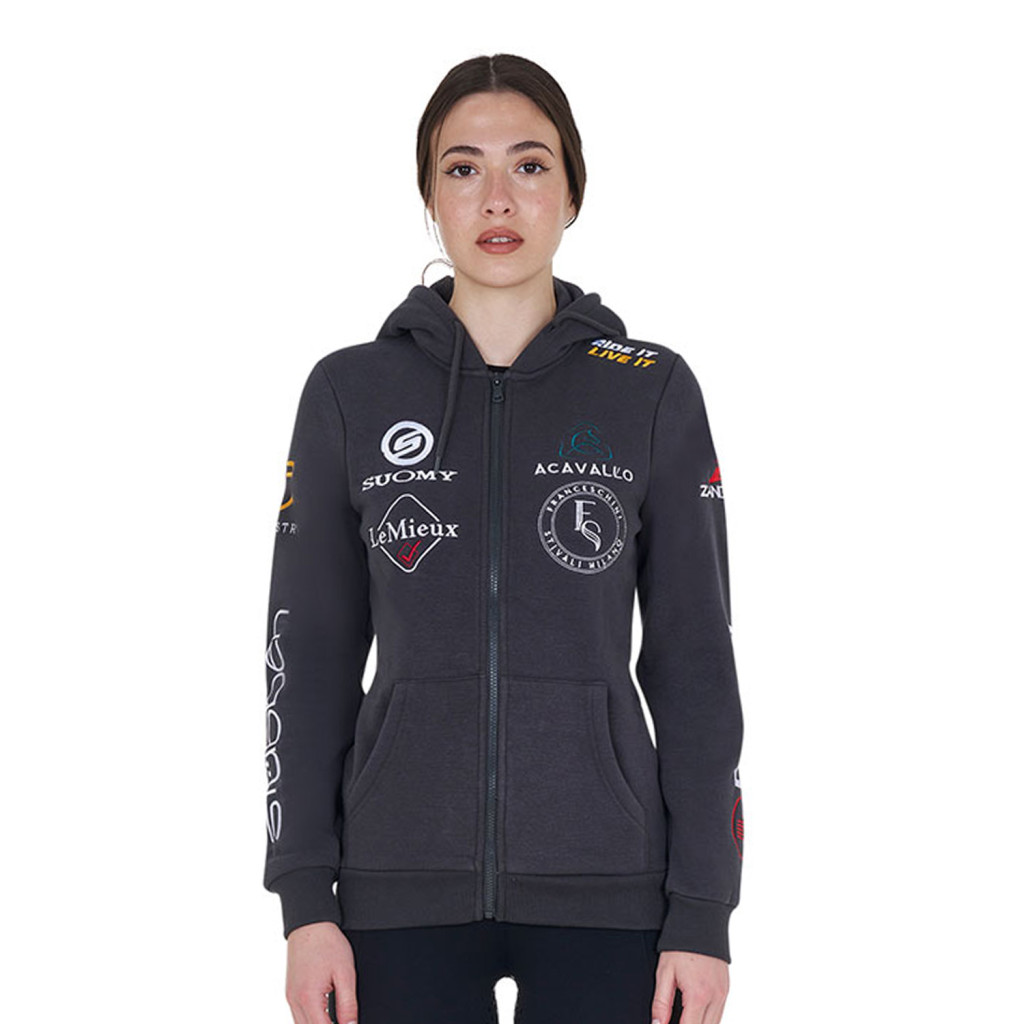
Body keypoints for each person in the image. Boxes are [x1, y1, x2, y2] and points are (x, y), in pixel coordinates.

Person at [263, 53, 744, 1024]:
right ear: (429, 198)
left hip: (611, 889)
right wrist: (306, 902)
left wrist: (703, 911)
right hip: (396, 887)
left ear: (571, 192)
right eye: (462, 168)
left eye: (529, 165)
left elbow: (694, 658)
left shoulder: (649, 389)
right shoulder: (350, 393)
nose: (497, 198)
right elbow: (306, 659)